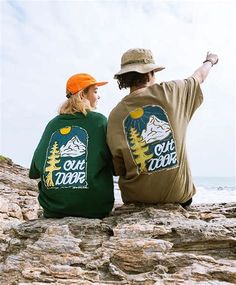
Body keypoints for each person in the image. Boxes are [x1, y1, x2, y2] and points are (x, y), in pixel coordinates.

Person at [107, 48, 218, 207]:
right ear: (150, 73)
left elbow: (117, 168)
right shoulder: (171, 91)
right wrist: (210, 61)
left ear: (124, 78)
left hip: (136, 199)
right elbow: (199, 76)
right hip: (178, 198)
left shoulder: (115, 115)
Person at [29, 73, 114, 218]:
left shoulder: (53, 124)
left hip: (54, 208)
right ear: (82, 95)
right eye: (95, 91)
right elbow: (116, 166)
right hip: (94, 209)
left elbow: (35, 169)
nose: (98, 96)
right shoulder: (99, 121)